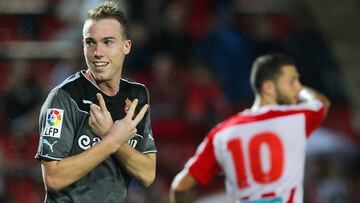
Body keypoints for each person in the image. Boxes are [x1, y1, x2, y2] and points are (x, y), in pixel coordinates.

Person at [35, 2, 156, 202]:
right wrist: (111, 140)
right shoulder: (62, 98)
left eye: (107, 42)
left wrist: (112, 137)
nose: (97, 52)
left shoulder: (137, 95)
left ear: (127, 46)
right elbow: (54, 178)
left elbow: (147, 174)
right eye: (90, 42)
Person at [170, 53, 330, 203]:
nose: (297, 87)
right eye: (292, 81)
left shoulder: (221, 132)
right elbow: (322, 102)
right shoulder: (297, 118)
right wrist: (302, 92)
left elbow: (180, 186)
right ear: (268, 87)